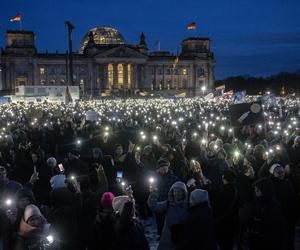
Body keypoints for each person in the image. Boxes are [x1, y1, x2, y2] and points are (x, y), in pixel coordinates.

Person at [148, 181, 188, 250]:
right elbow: (154, 207)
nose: (177, 193)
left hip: (183, 240)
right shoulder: (168, 204)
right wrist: (153, 194)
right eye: (175, 191)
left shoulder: (188, 206)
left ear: (184, 193)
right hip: (167, 240)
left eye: (179, 191)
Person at [248, 178, 286, 250]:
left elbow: (274, 231)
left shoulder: (272, 206)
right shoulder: (260, 202)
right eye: (255, 189)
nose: (255, 192)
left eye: (257, 190)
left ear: (264, 190)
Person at [214, 170, 239, 250]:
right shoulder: (235, 189)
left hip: (224, 223)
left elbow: (218, 207)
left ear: (224, 178)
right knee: (229, 243)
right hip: (233, 222)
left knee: (224, 244)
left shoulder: (224, 191)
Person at [154, 158, 179, 237]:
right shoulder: (155, 177)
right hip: (159, 201)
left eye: (165, 166)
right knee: (160, 218)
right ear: (158, 168)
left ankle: (171, 234)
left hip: (170, 201)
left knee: (170, 218)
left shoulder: (173, 177)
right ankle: (161, 234)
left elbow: (178, 186)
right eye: (162, 166)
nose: (164, 168)